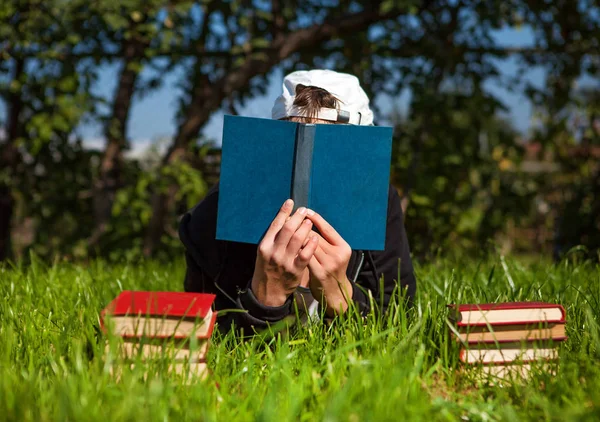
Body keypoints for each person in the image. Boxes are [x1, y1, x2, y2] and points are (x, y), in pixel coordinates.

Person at [179, 69, 416, 334]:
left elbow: (399, 325)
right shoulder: (213, 216)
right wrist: (265, 299)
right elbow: (202, 339)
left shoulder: (379, 204)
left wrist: (343, 298)